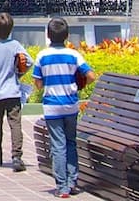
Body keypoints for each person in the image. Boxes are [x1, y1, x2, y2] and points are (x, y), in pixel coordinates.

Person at [34, 18, 93, 198]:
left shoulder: (42, 56)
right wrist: (79, 85)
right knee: (71, 143)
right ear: (67, 35)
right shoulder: (74, 55)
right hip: (70, 105)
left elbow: (37, 83)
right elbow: (91, 75)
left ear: (48, 35)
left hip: (52, 106)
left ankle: (62, 186)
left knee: (58, 146)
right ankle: (72, 181)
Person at [0, 13, 30, 172]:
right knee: (15, 124)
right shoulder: (15, 45)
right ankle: (17, 156)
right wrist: (19, 73)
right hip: (13, 92)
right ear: (11, 29)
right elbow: (29, 61)